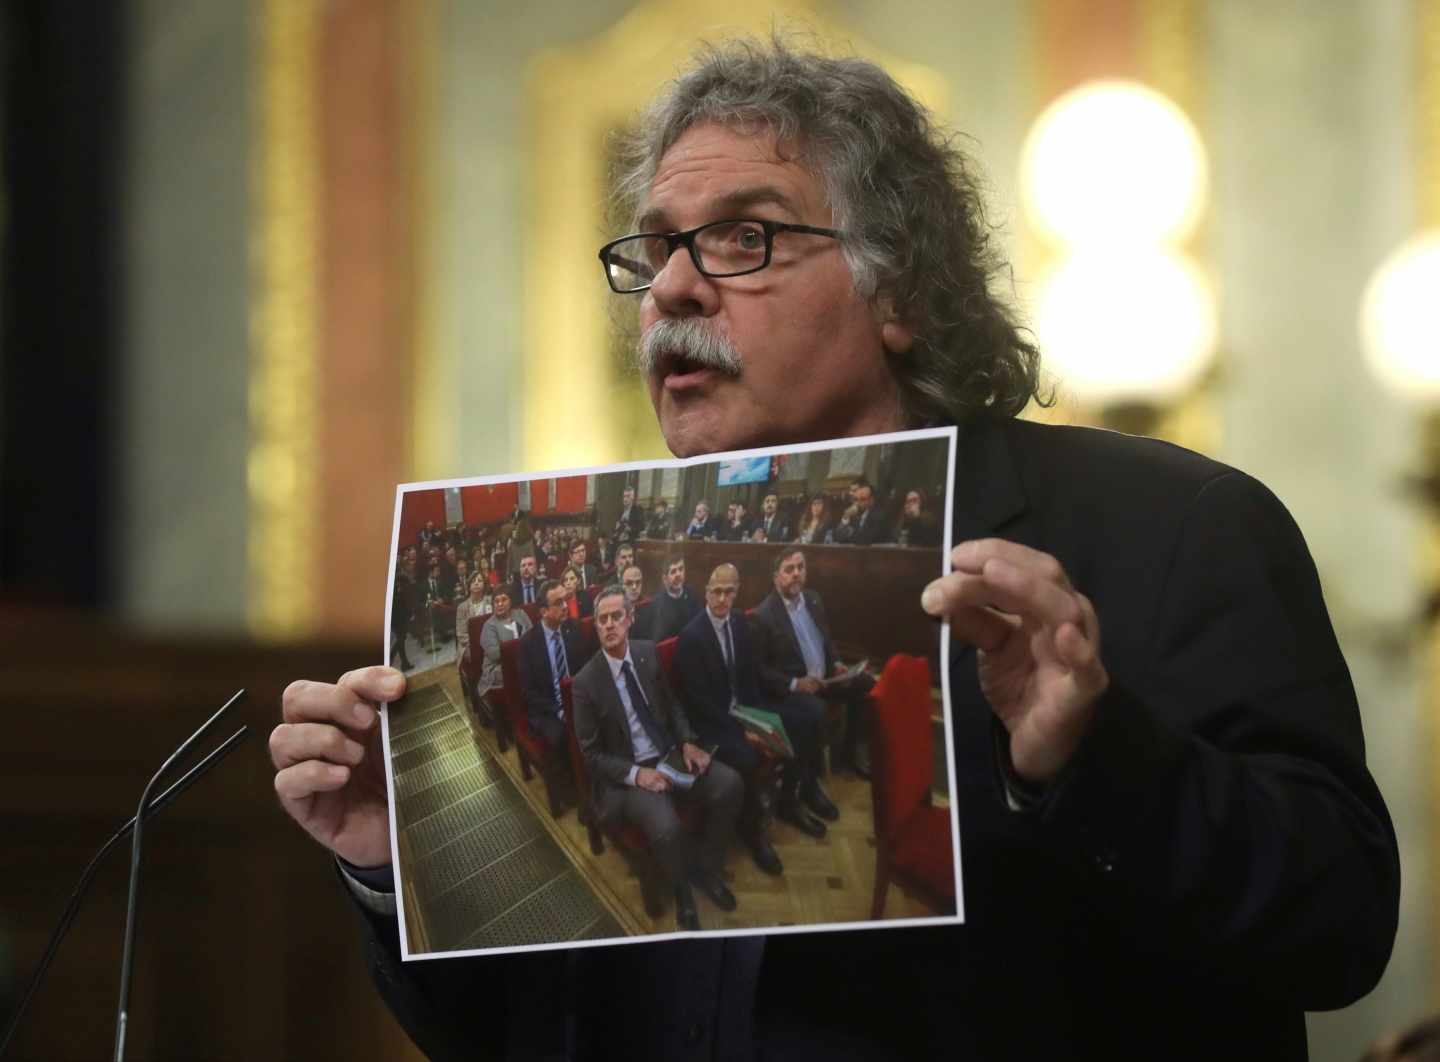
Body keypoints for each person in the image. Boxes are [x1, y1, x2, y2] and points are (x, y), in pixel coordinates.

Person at [272, 39, 1398, 1061]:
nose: (670, 288)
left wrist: (1095, 756)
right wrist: (392, 863)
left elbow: (1338, 935)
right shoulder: (639, 577)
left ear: (896, 285)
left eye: (741, 237)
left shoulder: (1174, 525)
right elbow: (541, 1034)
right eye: (657, 250)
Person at [572, 584, 744, 932]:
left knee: (730, 784)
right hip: (628, 774)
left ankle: (707, 871)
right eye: (602, 619)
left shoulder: (647, 652)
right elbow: (590, 756)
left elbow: (673, 705)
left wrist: (687, 742)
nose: (609, 625)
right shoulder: (585, 682)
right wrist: (638, 775)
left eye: (616, 616)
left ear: (630, 619)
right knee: (667, 830)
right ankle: (682, 892)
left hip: (669, 754)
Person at [673, 562, 824, 859]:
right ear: (706, 592)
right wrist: (744, 731)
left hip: (744, 710)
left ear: (737, 593)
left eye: (729, 592)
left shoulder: (740, 623)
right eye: (716, 591)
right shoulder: (691, 637)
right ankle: (752, 828)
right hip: (713, 724)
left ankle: (790, 799)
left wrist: (759, 721)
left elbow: (750, 676)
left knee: (807, 719)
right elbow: (700, 704)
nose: (721, 599)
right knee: (748, 754)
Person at [751, 547, 875, 778]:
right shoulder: (763, 615)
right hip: (797, 689)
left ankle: (852, 753)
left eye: (800, 568)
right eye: (789, 569)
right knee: (815, 711)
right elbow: (759, 671)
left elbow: (826, 639)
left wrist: (837, 662)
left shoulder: (813, 599)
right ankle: (808, 781)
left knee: (865, 682)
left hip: (826, 678)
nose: (796, 573)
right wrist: (796, 683)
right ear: (776, 576)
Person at [516, 579, 588, 751]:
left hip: (577, 700)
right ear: (544, 612)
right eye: (558, 603)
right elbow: (529, 693)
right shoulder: (528, 643)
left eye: (565, 600)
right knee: (561, 737)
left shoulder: (574, 628)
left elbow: (586, 669)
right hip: (548, 709)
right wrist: (559, 710)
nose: (565, 606)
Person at [476, 584, 530, 703]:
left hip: (524, 660)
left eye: (504, 600)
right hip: (497, 668)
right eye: (496, 601)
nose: (500, 604)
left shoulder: (520, 614)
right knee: (523, 670)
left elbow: (532, 637)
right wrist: (522, 647)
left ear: (511, 601)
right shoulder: (489, 626)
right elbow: (495, 654)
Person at [648, 553, 701, 642]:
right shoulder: (657, 603)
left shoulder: (692, 593)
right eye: (673, 572)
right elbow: (658, 639)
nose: (678, 574)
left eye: (681, 569)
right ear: (665, 579)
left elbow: (700, 623)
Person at [830, 479, 892, 545]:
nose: (858, 503)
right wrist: (845, 517)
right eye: (856, 499)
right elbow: (836, 537)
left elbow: (867, 540)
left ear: (871, 500)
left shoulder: (879, 516)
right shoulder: (854, 515)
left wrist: (849, 532)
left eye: (862, 499)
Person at [620, 563, 653, 640]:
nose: (634, 587)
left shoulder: (649, 606)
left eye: (638, 582)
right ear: (622, 585)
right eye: (629, 583)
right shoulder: (615, 608)